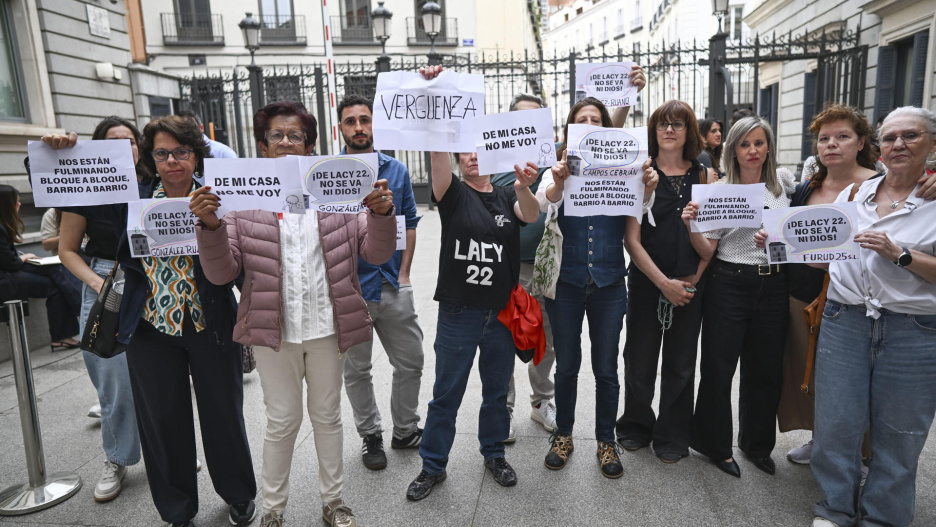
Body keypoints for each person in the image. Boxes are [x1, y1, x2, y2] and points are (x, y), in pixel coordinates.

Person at [193, 99, 396, 527]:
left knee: (327, 416)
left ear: (309, 145)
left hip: (328, 327)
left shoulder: (338, 194)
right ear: (263, 146)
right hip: (274, 331)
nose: (286, 142)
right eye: (277, 135)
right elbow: (222, 273)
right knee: (282, 421)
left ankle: (333, 501)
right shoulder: (241, 203)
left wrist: (381, 215)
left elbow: (376, 253)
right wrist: (211, 227)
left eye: (295, 135)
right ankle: (273, 509)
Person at [52, 116, 257, 527]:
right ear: (151, 158)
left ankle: (238, 494)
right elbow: (70, 183)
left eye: (181, 151)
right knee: (163, 421)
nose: (172, 161)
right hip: (149, 328)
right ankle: (177, 509)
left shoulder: (221, 196)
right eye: (162, 153)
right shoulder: (131, 198)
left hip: (211, 323)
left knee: (224, 414)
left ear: (196, 155)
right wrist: (60, 149)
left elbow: (238, 264)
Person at [405, 65, 542, 502]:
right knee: (446, 393)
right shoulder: (452, 193)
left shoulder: (507, 194)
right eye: (464, 151)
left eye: (479, 149)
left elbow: (531, 215)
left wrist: (524, 186)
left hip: (500, 314)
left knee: (496, 392)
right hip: (458, 312)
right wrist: (436, 90)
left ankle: (494, 453)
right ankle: (432, 466)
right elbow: (437, 153)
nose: (472, 156)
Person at [810, 106, 936, 527]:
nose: (898, 144)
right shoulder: (853, 196)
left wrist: (900, 254)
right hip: (844, 320)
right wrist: (780, 243)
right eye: (890, 137)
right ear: (878, 147)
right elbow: (828, 257)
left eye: (911, 136)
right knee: (836, 423)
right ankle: (834, 508)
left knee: (901, 432)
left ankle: (883, 516)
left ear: (932, 145)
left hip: (913, 330)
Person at [536, 94, 658, 479]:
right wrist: (558, 183)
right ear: (571, 128)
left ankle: (606, 439)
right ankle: (564, 434)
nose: (589, 124)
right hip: (566, 283)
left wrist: (648, 186)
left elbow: (641, 207)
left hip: (609, 283)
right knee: (567, 366)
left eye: (596, 119)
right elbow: (544, 202)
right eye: (582, 119)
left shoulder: (625, 166)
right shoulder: (558, 166)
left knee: (606, 368)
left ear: (605, 128)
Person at [682, 116, 795, 478]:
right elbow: (708, 249)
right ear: (732, 149)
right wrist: (691, 224)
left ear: (769, 147)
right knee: (718, 367)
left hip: (773, 283)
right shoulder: (720, 189)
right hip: (729, 282)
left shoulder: (783, 183)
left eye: (759, 143)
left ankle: (756, 445)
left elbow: (794, 239)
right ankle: (714, 445)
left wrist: (776, 242)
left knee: (765, 370)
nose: (752, 150)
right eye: (744, 144)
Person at [615, 100, 710, 464]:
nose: (670, 130)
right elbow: (632, 240)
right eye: (662, 124)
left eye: (678, 124)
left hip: (690, 284)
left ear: (689, 131)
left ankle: (672, 434)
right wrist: (662, 284)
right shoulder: (641, 172)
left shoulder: (705, 175)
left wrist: (691, 281)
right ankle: (636, 425)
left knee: (681, 363)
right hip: (646, 283)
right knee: (639, 359)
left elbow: (712, 238)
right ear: (653, 131)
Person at [57, 117, 144, 503]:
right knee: (113, 380)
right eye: (114, 141)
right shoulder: (84, 189)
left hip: (152, 281)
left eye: (131, 141)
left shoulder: (153, 185)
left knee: (162, 375)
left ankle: (169, 448)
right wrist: (99, 285)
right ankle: (117, 457)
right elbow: (67, 250)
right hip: (106, 279)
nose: (125, 148)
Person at [336, 94, 425, 471]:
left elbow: (410, 223)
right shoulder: (328, 173)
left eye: (365, 119)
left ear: (374, 124)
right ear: (341, 128)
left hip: (391, 282)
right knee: (357, 369)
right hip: (349, 288)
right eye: (351, 121)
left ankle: (405, 429)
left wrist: (405, 273)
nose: (359, 127)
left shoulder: (397, 170)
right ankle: (370, 435)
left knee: (411, 361)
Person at [490, 93, 558, 441]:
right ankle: (503, 407)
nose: (531, 124)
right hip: (506, 267)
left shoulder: (556, 156)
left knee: (546, 337)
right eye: (523, 117)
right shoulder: (494, 160)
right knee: (503, 336)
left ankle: (542, 401)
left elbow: (599, 135)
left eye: (537, 117)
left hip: (545, 265)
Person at [0, 186, 81, 350]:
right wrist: (24, 257)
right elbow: (10, 263)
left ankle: (72, 314)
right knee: (54, 282)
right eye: (17, 202)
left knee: (54, 271)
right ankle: (78, 307)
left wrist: (23, 258)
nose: (20, 204)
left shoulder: (4, 225)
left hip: (11, 270)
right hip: (7, 275)